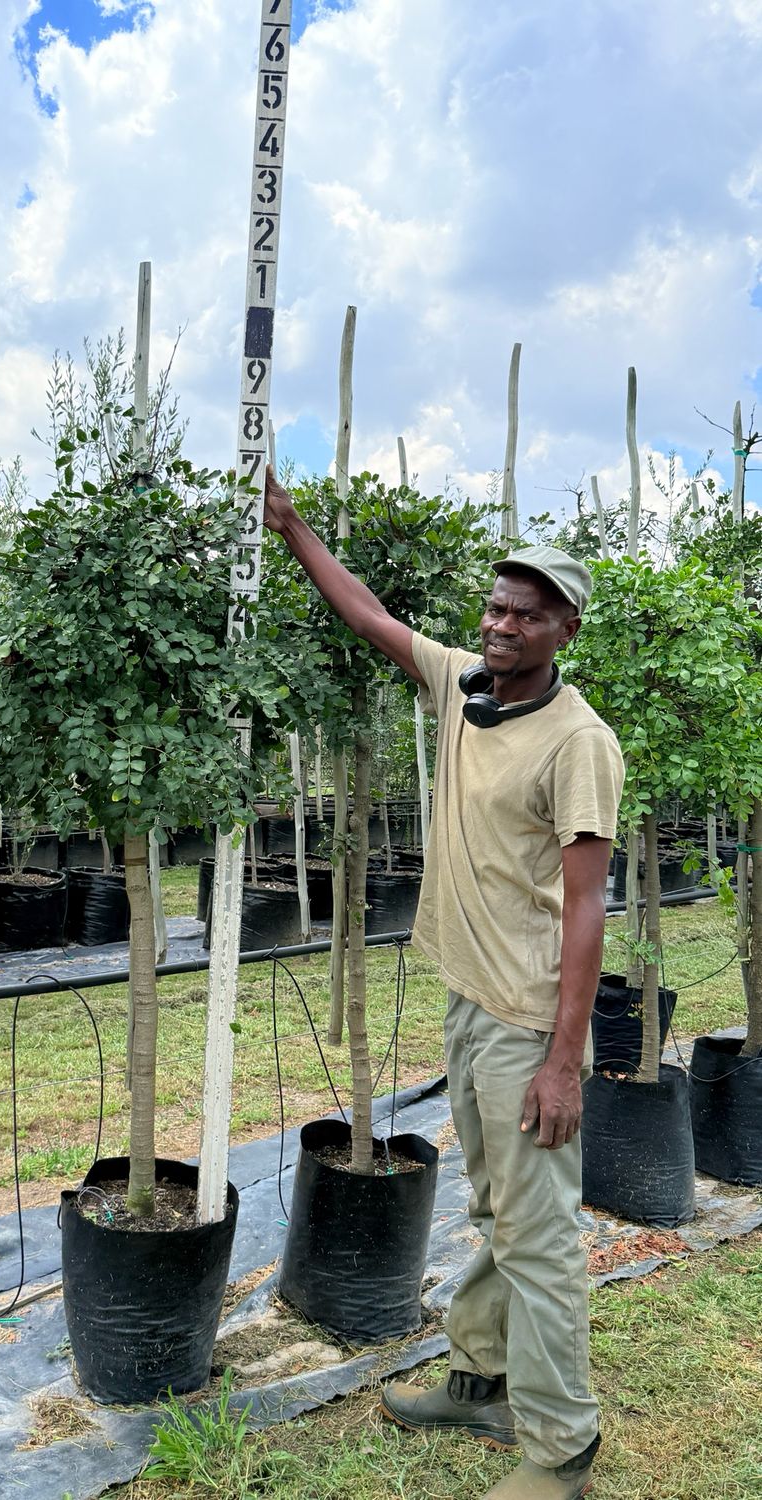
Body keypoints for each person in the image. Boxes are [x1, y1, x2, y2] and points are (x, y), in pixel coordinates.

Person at [263, 469, 624, 1500]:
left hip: (528, 1019)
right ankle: (479, 1379)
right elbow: (370, 615)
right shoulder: (463, 689)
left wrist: (563, 1061)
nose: (501, 623)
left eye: (526, 614)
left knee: (541, 1234)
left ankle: (562, 1451)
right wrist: (293, 529)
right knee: (500, 1211)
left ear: (562, 632)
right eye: (497, 607)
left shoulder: (579, 744)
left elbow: (589, 907)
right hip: (471, 998)